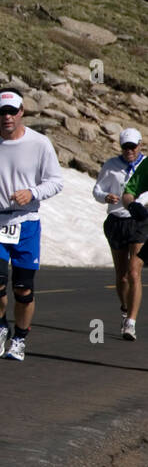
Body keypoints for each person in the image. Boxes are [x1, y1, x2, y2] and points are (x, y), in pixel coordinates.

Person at [0, 89, 63, 362]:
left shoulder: (39, 143)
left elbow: (56, 181)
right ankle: (0, 328)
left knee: (23, 289)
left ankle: (19, 338)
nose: (7, 117)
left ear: (22, 112)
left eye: (12, 111)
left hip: (26, 222)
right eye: (2, 112)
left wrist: (32, 193)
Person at [108, 128, 148, 340]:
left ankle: (130, 323)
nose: (129, 150)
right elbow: (129, 192)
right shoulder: (145, 166)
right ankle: (126, 311)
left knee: (134, 271)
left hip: (141, 226)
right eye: (126, 146)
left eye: (133, 145)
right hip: (128, 220)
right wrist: (134, 205)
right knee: (123, 275)